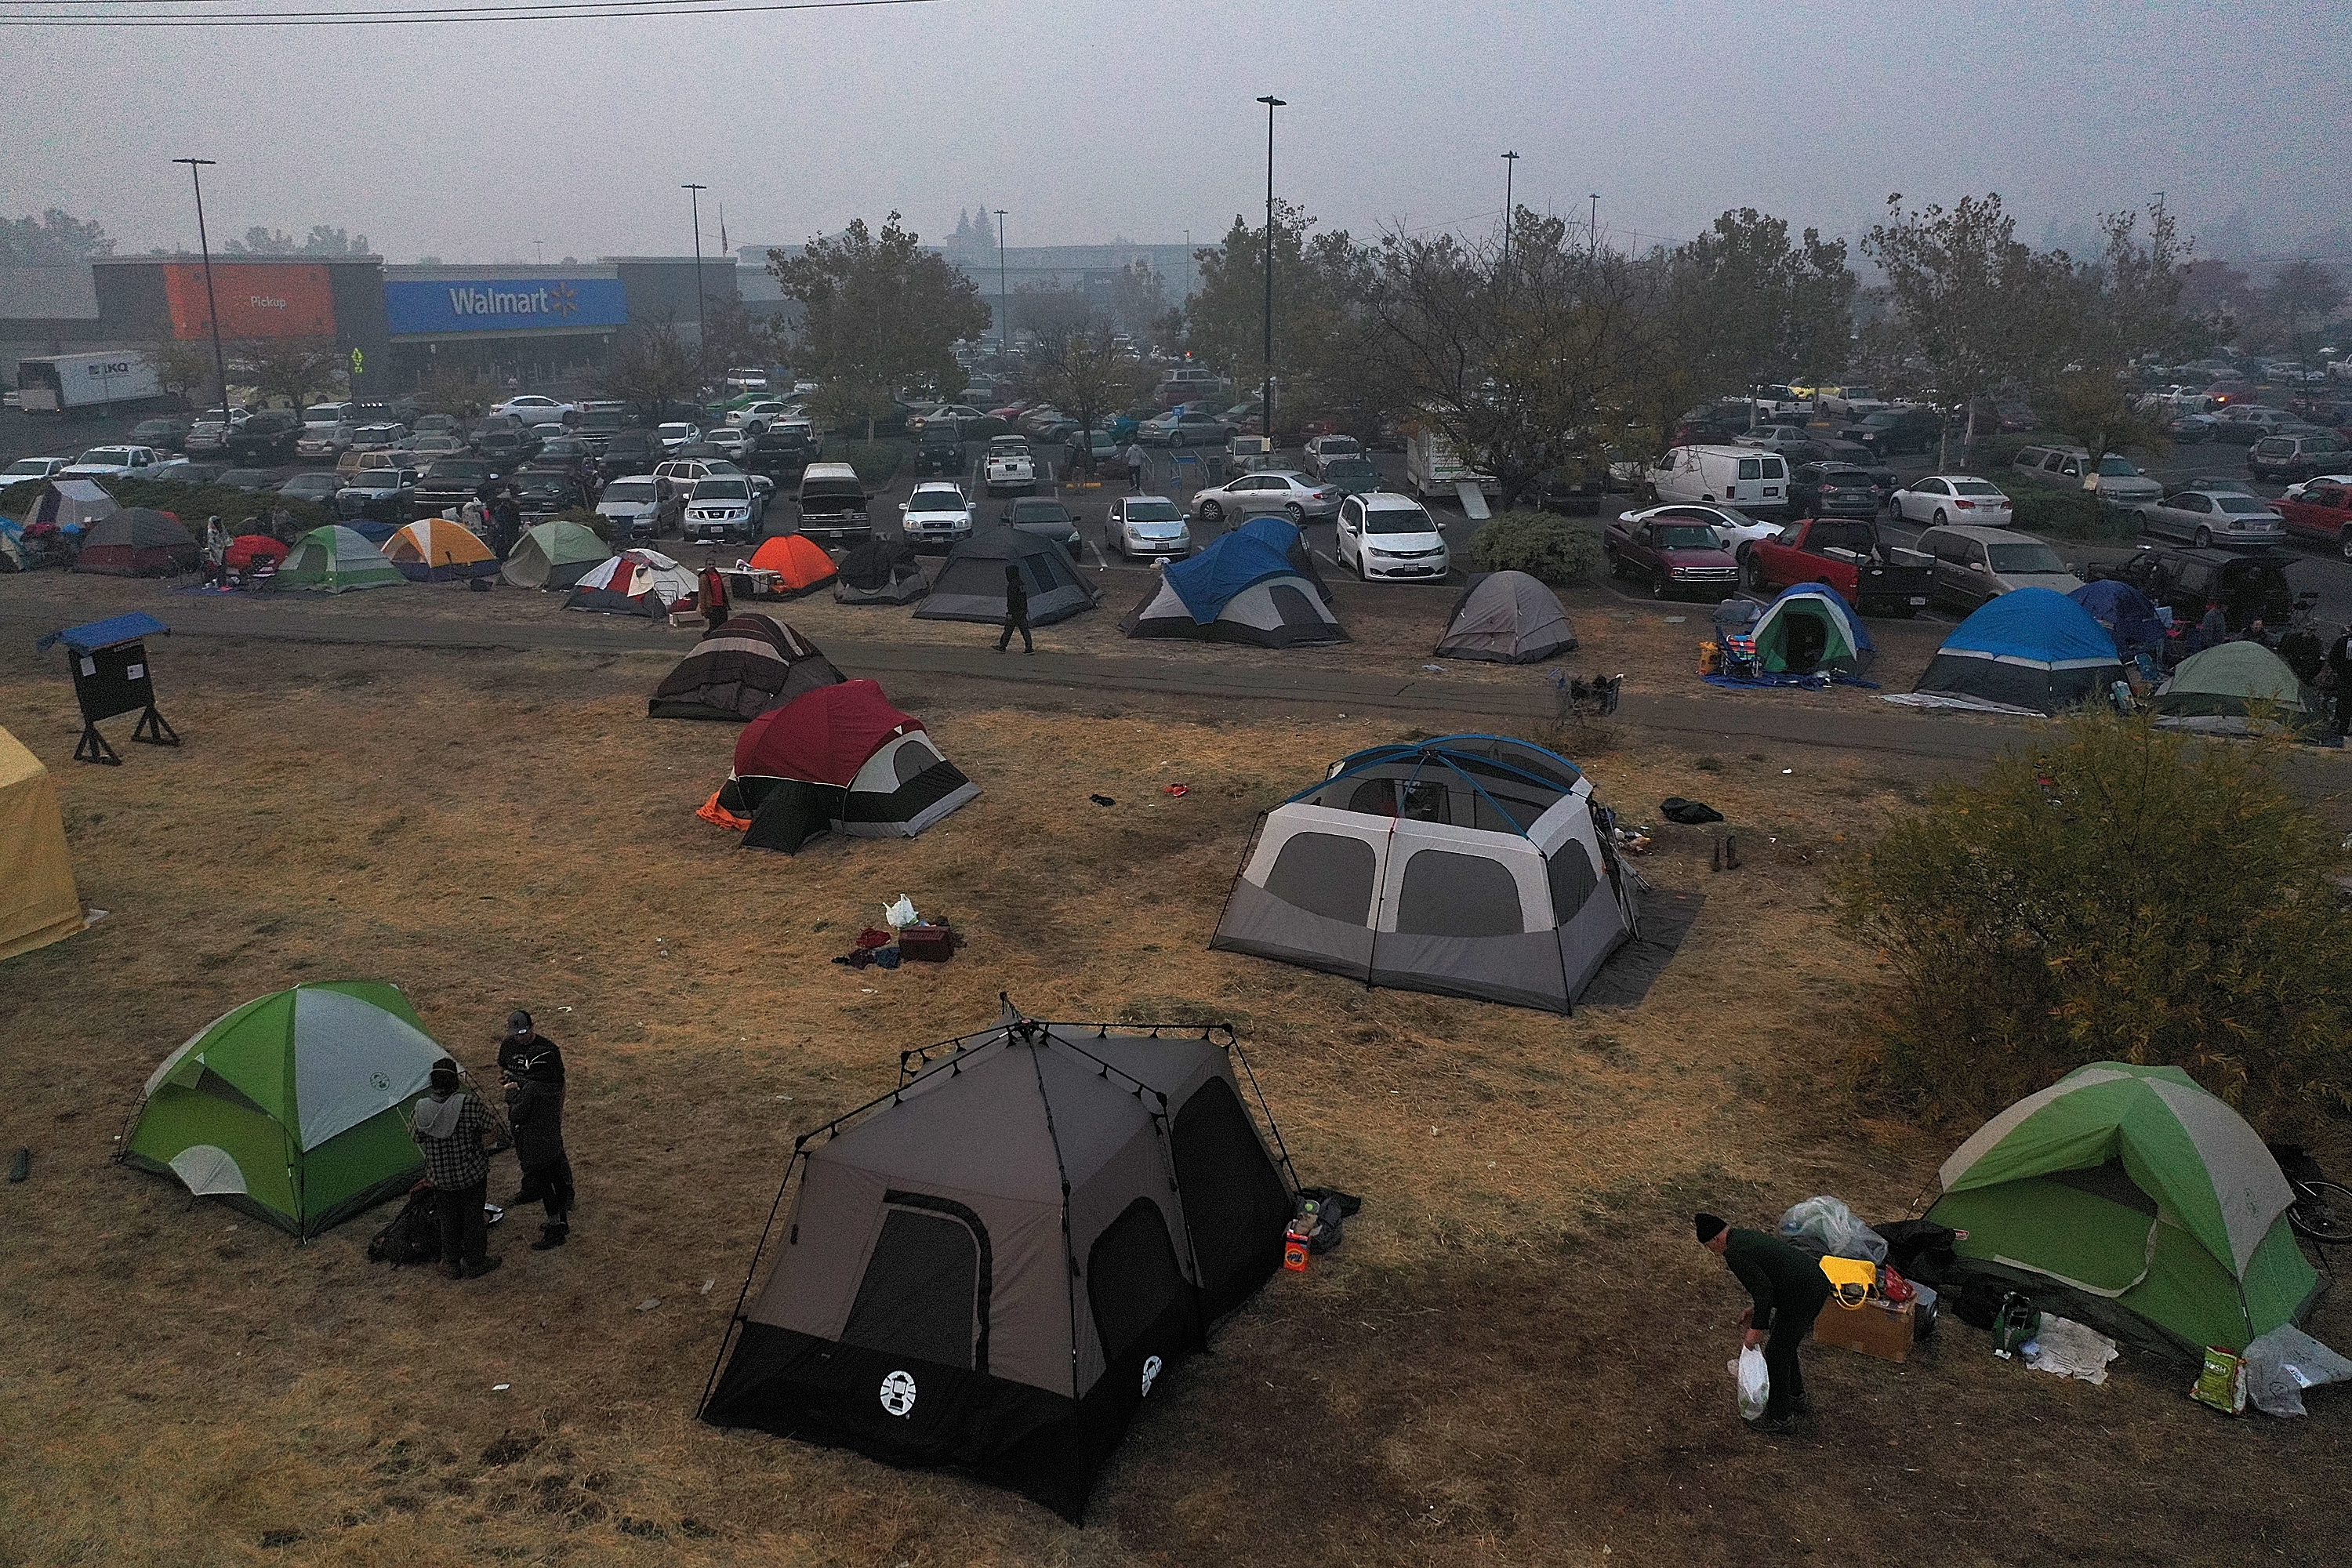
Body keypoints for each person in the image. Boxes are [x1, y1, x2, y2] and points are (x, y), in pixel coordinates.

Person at [1697, 1212, 1828, 1434]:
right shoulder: (1744, 1237)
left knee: (1776, 1356)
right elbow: (1772, 1277)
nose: (1713, 1252)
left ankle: (1780, 1418)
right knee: (1784, 1344)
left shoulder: (1735, 1253)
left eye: (1710, 1248)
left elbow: (1764, 1289)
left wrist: (1757, 1329)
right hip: (1811, 1284)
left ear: (1716, 1240)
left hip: (1802, 1295)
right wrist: (1757, 1310)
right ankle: (1795, 1396)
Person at [412, 1058, 502, 1280]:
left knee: (448, 1220)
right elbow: (492, 1128)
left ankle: (451, 1263)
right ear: (455, 1081)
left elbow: (416, 1136)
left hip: (441, 1179)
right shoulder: (468, 1104)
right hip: (471, 1175)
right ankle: (475, 1262)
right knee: (473, 1219)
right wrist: (481, 1145)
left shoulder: (421, 1108)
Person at [497, 1011, 574, 1251]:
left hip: (535, 1133)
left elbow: (516, 1113)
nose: (520, 1038)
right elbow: (501, 1066)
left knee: (547, 1178)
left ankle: (556, 1226)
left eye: (524, 1032)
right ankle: (561, 1220)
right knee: (549, 1170)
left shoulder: (535, 1085)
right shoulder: (539, 1084)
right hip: (541, 1128)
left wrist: (511, 1094)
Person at [996, 561, 1033, 654]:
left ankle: (1002, 646)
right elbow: (1023, 597)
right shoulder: (1021, 583)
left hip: (1015, 611)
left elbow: (1012, 599)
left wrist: (1010, 612)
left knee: (1008, 629)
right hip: (1022, 610)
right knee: (1024, 630)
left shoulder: (1012, 585)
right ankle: (1029, 647)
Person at [2328, 626, 2352, 735]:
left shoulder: (2343, 641)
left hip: (2344, 676)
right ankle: (2343, 726)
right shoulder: (2343, 642)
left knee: (2343, 702)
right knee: (2345, 702)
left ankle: (2341, 726)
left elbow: (2332, 657)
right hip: (2345, 675)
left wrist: (2338, 670)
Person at [699, 563, 731, 631]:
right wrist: (703, 609)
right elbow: (702, 594)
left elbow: (722, 590)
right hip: (712, 606)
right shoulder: (704, 577)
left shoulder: (717, 574)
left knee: (723, 626)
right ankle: (706, 637)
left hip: (721, 605)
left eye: (713, 564)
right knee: (714, 627)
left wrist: (726, 603)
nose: (712, 566)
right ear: (706, 566)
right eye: (709, 565)